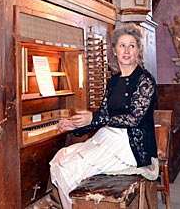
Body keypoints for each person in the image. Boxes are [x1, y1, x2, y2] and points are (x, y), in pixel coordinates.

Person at [50, 22, 158, 209]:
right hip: (108, 136)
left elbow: (134, 119)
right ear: (114, 50)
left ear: (138, 51)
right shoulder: (113, 81)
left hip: (131, 144)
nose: (126, 50)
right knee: (60, 159)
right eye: (121, 45)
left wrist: (94, 118)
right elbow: (104, 116)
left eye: (131, 46)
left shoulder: (145, 80)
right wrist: (76, 125)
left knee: (69, 167)